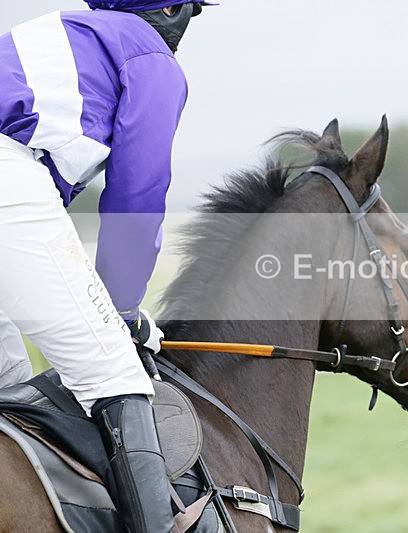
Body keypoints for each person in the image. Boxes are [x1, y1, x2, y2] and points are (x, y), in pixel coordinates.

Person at [0, 1, 216, 531]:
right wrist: (121, 308)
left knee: (6, 387)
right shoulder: (149, 56)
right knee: (113, 371)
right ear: (170, 9)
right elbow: (136, 196)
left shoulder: (55, 29)